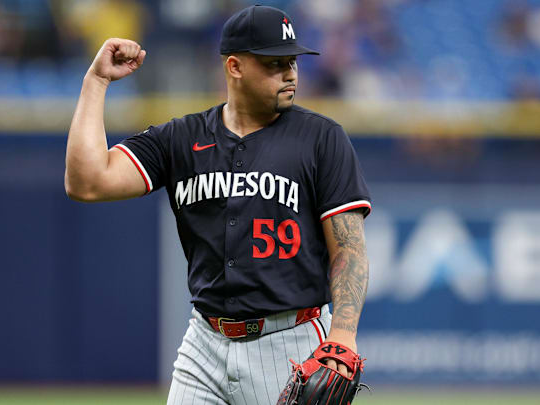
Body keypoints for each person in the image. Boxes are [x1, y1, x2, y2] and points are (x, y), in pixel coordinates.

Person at [65, 5, 371, 404]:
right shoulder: (181, 139)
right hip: (204, 342)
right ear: (235, 66)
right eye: (274, 62)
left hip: (289, 341)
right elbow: (86, 181)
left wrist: (342, 337)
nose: (290, 73)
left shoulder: (321, 138)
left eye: (292, 61)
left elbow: (349, 247)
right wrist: (96, 81)